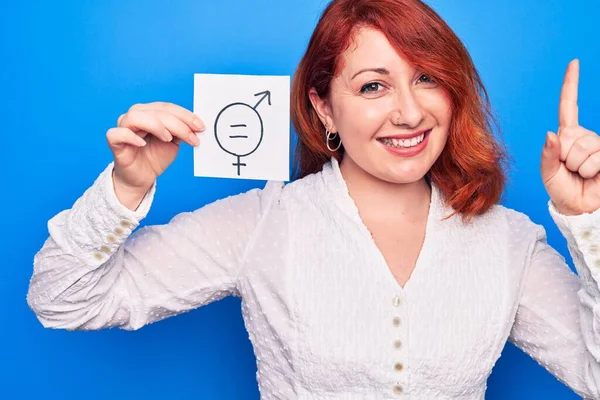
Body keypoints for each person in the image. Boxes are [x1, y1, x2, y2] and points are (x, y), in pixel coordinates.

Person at [26, 0, 600, 398]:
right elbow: (63, 300)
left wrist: (588, 222)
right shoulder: (262, 224)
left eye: (426, 78)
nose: (409, 111)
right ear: (325, 107)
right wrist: (126, 189)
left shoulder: (507, 242)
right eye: (373, 85)